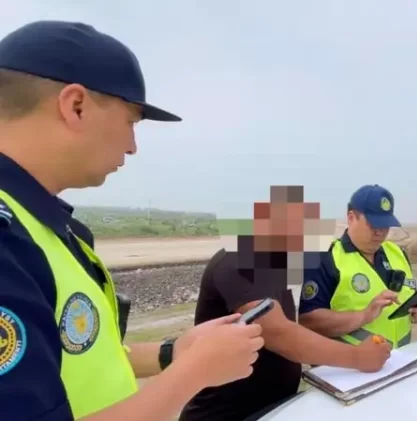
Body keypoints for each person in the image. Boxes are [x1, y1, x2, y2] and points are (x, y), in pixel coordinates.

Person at [0, 21, 265, 421]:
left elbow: (80, 353)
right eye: (130, 122)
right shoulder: (8, 244)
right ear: (76, 105)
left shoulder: (45, 227)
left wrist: (173, 353)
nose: (132, 146)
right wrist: (193, 374)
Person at [180, 185, 391, 421]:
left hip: (271, 407)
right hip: (226, 414)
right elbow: (279, 333)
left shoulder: (275, 269)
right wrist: (357, 358)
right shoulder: (239, 259)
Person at [298, 184, 417, 349]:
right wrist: (364, 316)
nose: (380, 232)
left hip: (398, 359)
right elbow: (308, 320)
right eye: (373, 224)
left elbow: (407, 301)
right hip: (347, 363)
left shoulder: (397, 253)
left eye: (385, 225)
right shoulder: (325, 258)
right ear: (351, 218)